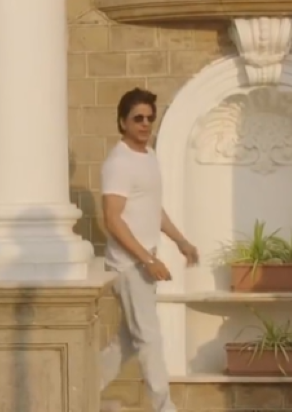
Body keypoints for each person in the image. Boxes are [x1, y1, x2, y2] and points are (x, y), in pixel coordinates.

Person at [99, 88, 199, 412]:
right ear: (122, 122)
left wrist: (181, 241)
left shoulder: (148, 156)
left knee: (127, 342)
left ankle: (78, 389)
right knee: (150, 339)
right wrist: (148, 259)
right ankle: (165, 408)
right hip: (129, 266)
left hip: (143, 263)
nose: (145, 124)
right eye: (138, 118)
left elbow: (153, 209)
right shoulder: (118, 163)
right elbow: (112, 219)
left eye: (149, 118)